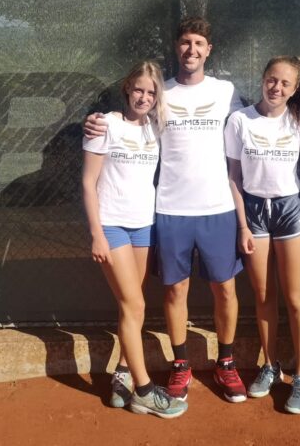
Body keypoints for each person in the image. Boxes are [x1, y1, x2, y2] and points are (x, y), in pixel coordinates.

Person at [84, 17, 247, 403]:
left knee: (225, 289)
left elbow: (257, 119)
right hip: (170, 210)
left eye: (199, 43)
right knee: (175, 290)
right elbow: (127, 121)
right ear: (177, 47)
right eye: (186, 42)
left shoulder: (225, 92)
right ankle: (180, 365)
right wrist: (95, 121)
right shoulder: (161, 93)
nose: (192, 49)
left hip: (219, 209)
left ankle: (226, 363)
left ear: (209, 50)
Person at [82, 60, 187, 418]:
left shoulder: (157, 128)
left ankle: (123, 374)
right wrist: (97, 234)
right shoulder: (104, 124)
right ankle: (143, 391)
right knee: (135, 306)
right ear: (127, 88)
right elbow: (88, 183)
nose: (144, 97)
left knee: (132, 305)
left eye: (151, 92)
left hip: (145, 226)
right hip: (111, 226)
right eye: (139, 89)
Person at [225, 56, 300, 414]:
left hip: (290, 210)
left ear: (295, 89)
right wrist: (243, 225)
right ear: (263, 79)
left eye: (285, 83)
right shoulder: (239, 120)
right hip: (253, 212)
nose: (276, 88)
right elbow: (234, 176)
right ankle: (270, 365)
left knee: (296, 296)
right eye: (271, 79)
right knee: (264, 295)